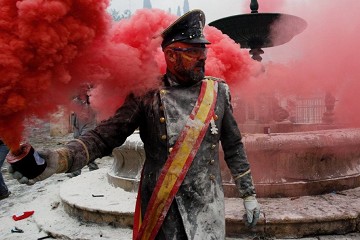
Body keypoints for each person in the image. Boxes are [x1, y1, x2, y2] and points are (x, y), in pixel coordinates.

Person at [9, 9, 260, 239]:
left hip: (207, 205)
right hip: (163, 208)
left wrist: (248, 194)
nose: (202, 57)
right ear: (171, 55)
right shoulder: (147, 94)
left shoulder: (218, 92)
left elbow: (234, 146)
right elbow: (104, 137)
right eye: (193, 51)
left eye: (203, 50)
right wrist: (56, 160)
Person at [67, 84, 99, 177]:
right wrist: (72, 126)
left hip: (88, 128)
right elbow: (72, 114)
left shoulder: (92, 101)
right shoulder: (75, 101)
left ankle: (79, 171)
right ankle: (92, 168)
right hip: (77, 128)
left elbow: (96, 114)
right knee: (79, 149)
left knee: (83, 148)